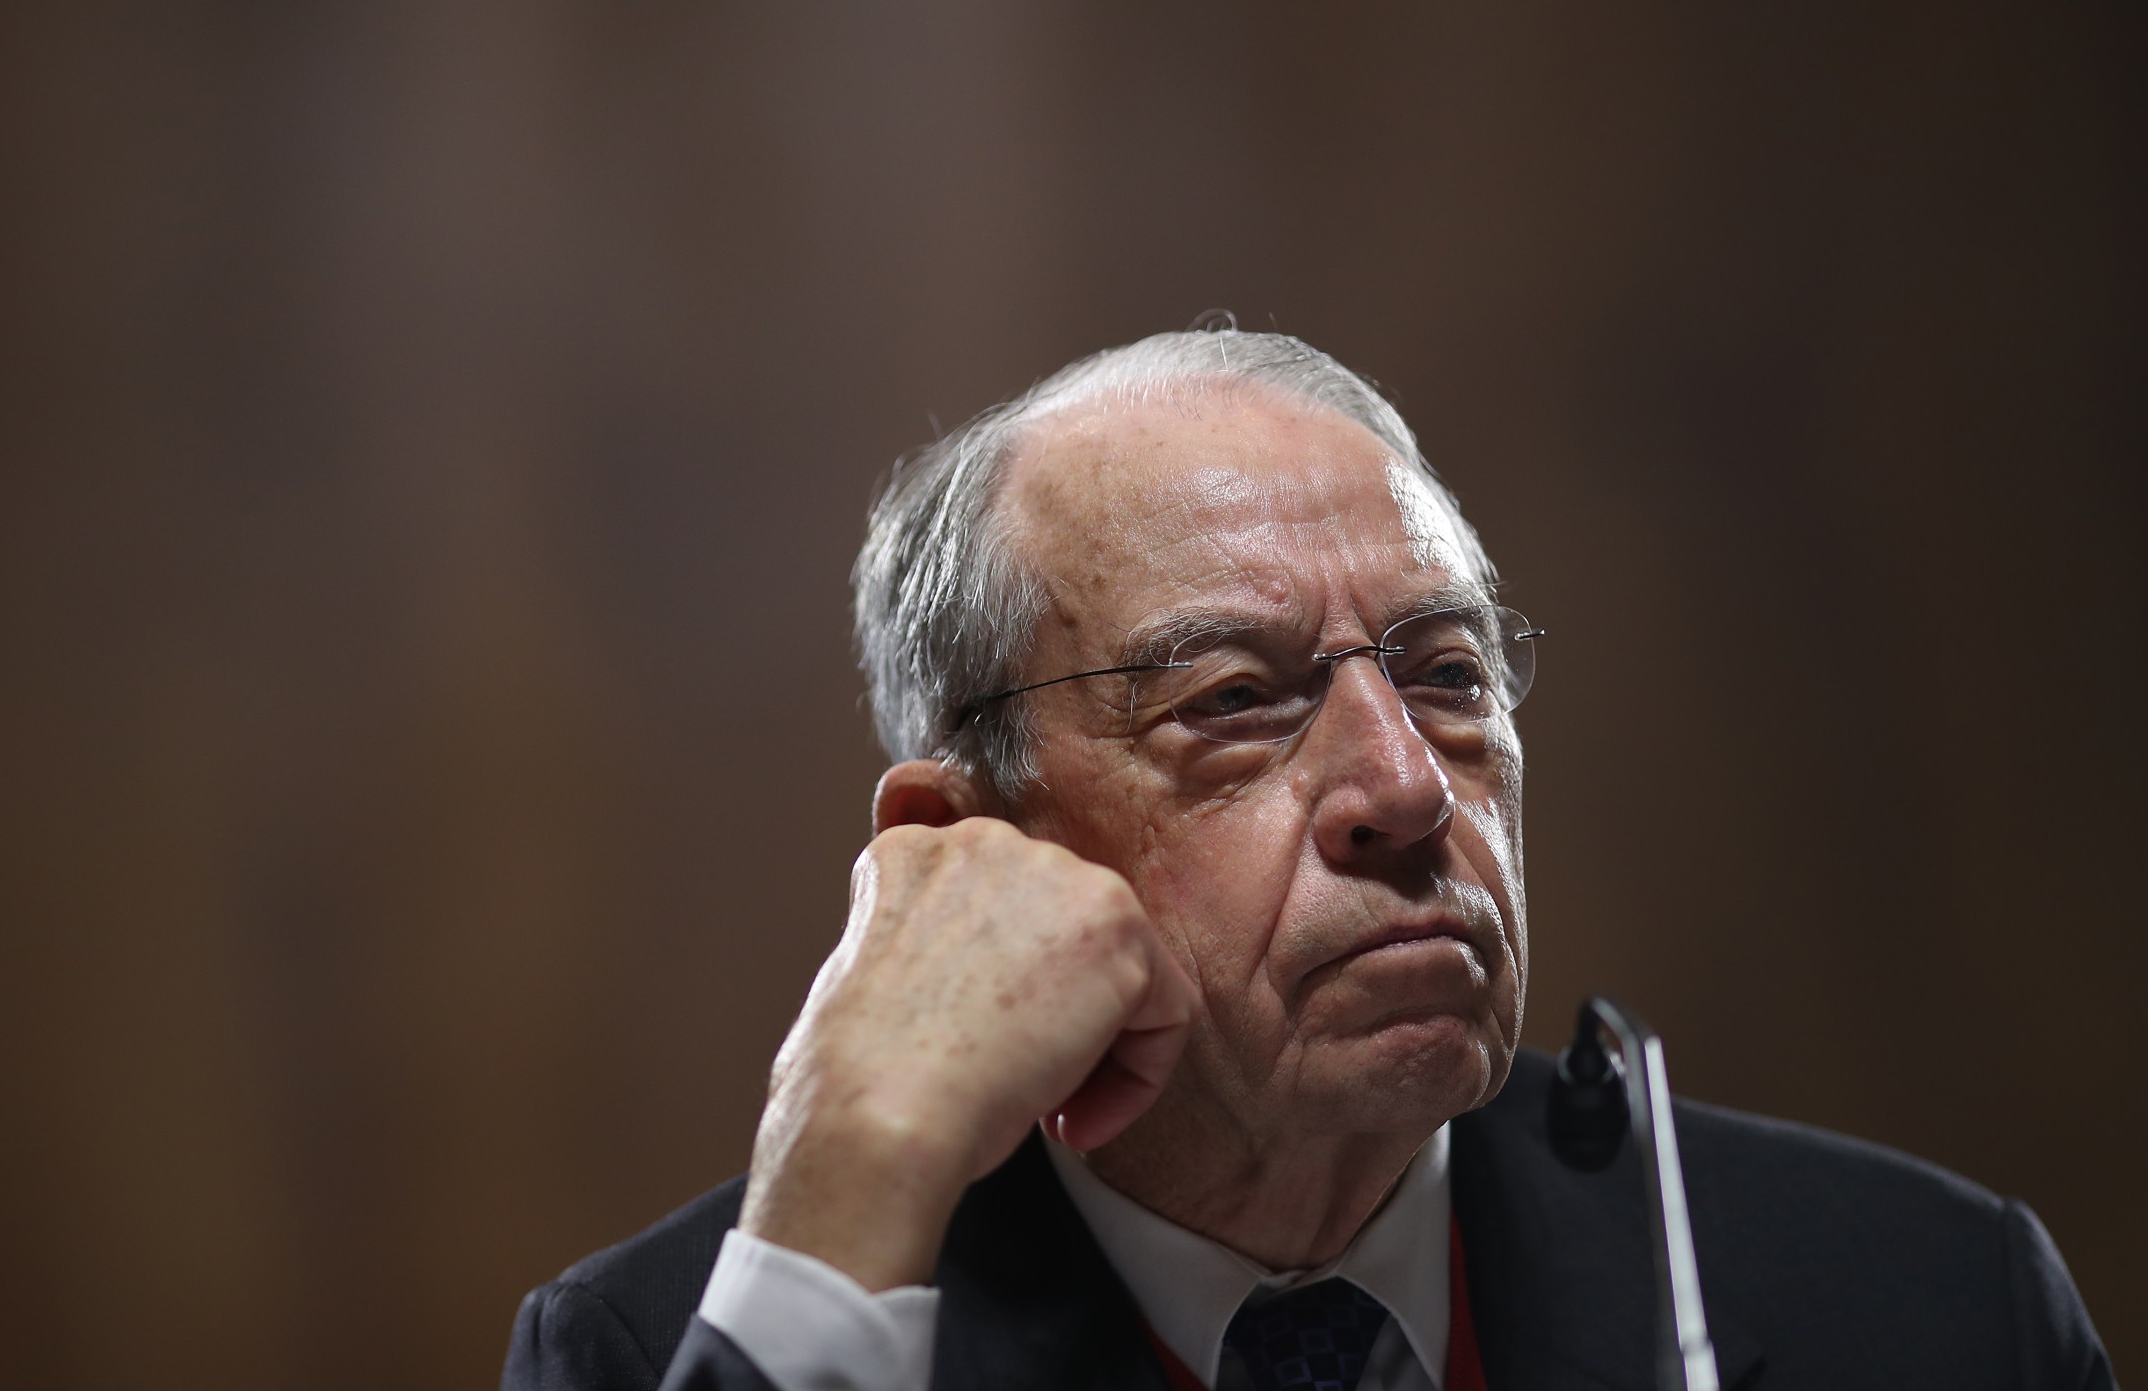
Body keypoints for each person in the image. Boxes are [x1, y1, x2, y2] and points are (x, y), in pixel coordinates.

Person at [500, 330, 2115, 1391]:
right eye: (1235, 701)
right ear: (972, 847)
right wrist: (852, 1163)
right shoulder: (660, 1347)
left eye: (1448, 673)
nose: (1407, 791)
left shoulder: (1938, 1309)